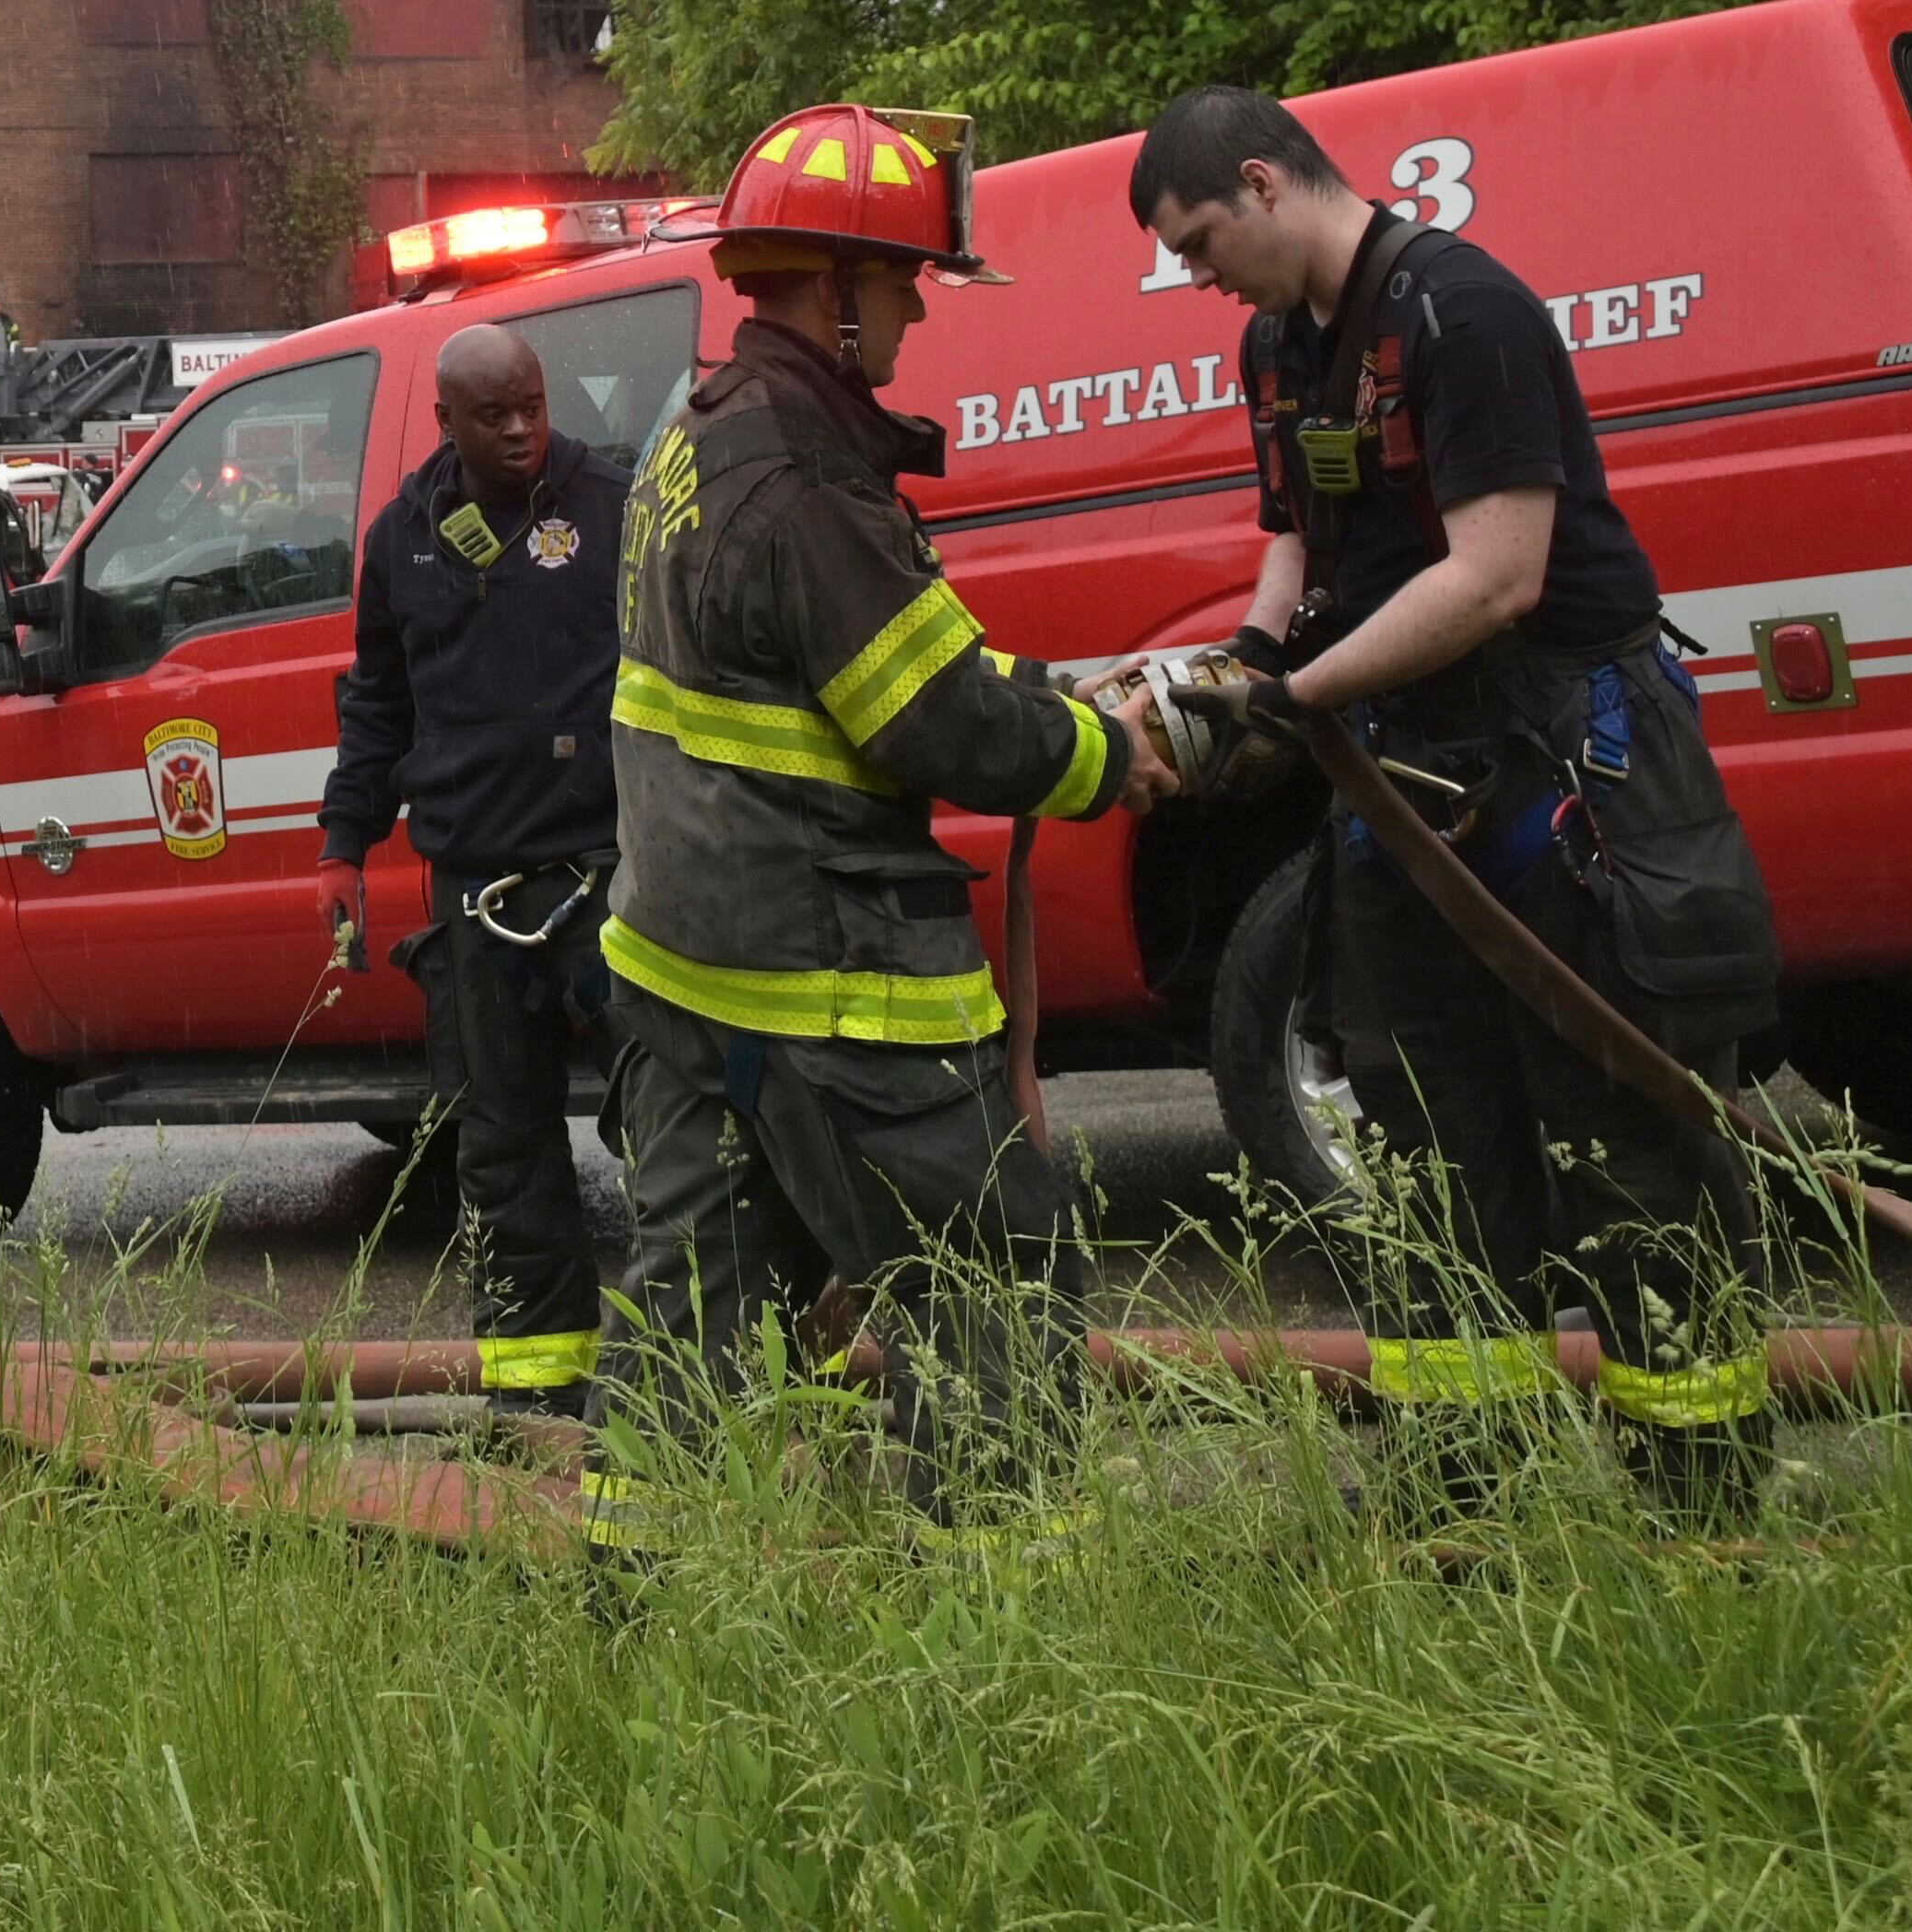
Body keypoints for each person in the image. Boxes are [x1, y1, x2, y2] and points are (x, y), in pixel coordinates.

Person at [1137, 84, 1782, 1514]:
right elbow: (1299, 553)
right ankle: (1460, 1514)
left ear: (1262, 182)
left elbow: (1498, 575)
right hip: (1405, 782)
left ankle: (1704, 1510)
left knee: (1621, 1143)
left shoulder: (1462, 313)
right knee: (1424, 1147)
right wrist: (1244, 666)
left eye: (1197, 241)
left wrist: (1295, 706)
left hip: (1567, 766)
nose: (1195, 277)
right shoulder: (1278, 347)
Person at [592, 103, 1173, 1556]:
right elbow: (938, 726)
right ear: (836, 292)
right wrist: (1111, 752)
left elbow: (854, 674)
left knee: (689, 1315)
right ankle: (997, 1599)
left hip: (682, 968)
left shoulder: (701, 433)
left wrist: (1034, 690)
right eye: (904, 281)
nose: (919, 307)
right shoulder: (803, 485)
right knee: (996, 1278)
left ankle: (638, 1601)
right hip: (825, 978)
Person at [320, 320, 627, 1442]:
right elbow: (378, 705)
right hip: (477, 895)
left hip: (608, 876)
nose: (521, 430)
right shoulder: (403, 538)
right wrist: (342, 846)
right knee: (504, 1151)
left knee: (673, 1126)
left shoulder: (612, 505)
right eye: (494, 415)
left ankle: (694, 1376)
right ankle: (537, 1395)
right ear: (445, 420)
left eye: (534, 406)